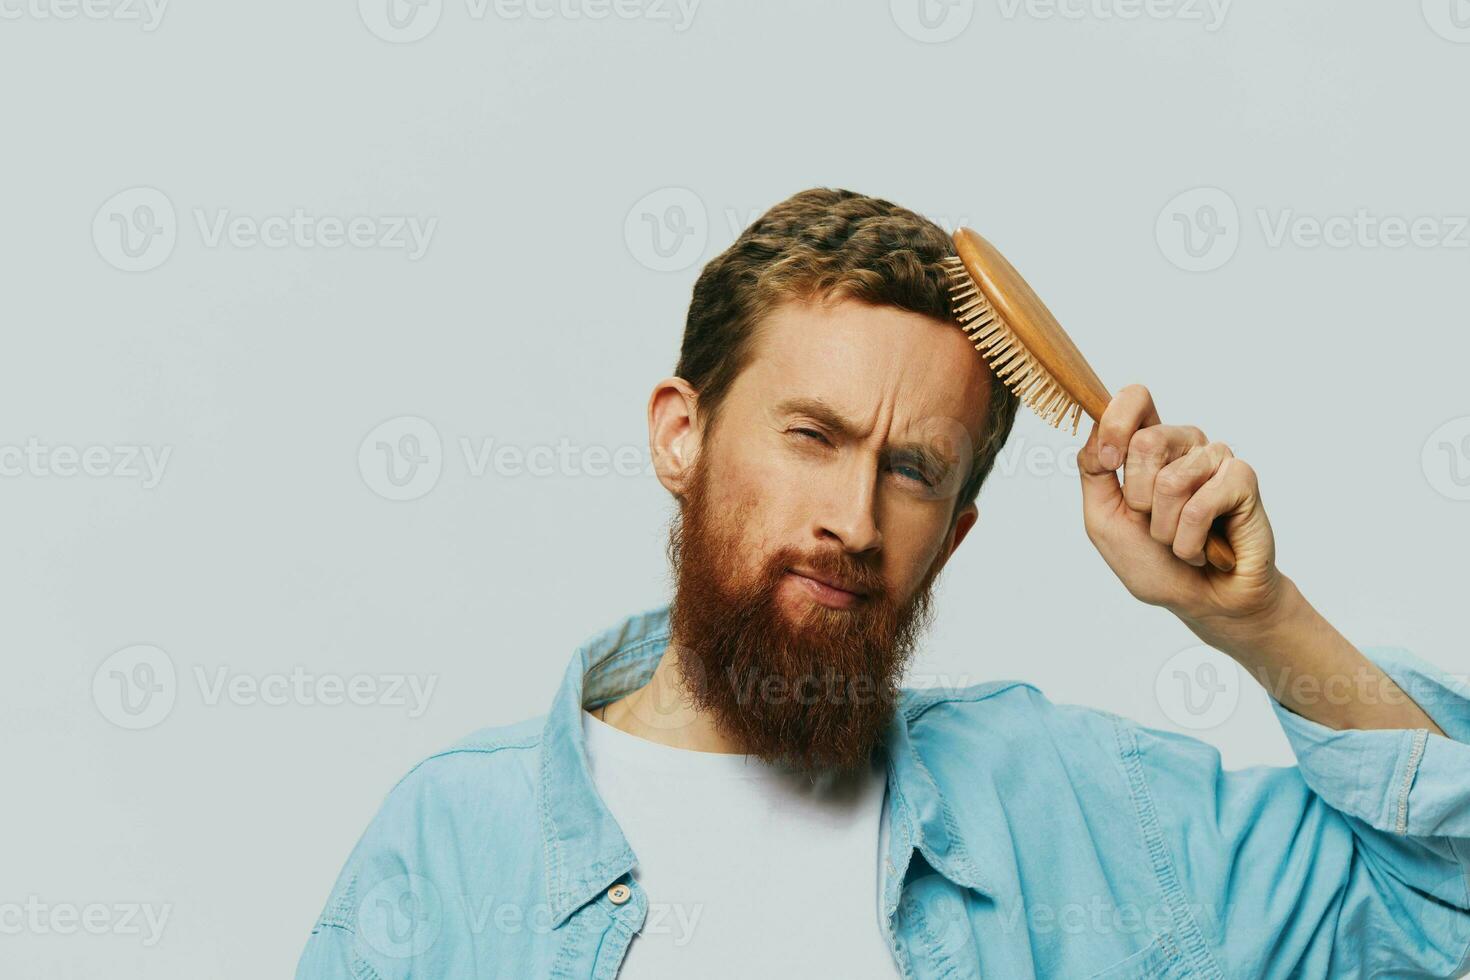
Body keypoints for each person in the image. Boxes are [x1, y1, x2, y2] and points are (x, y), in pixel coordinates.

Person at [294, 188, 1470, 979]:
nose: (852, 520)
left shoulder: (1079, 812)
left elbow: (1444, 913)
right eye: (811, 434)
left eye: (909, 470)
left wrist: (1259, 621)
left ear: (955, 532)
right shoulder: (459, 839)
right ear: (679, 437)